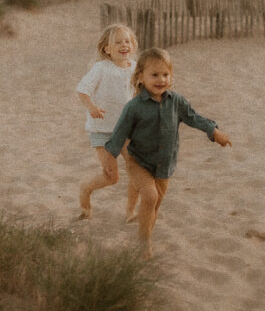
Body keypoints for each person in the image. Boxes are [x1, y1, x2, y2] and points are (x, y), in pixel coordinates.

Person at [104, 46, 231, 257]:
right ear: (141, 77)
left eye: (165, 74)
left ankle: (145, 234)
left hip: (164, 164)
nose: (161, 79)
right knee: (150, 196)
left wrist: (214, 131)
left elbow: (194, 117)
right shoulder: (134, 107)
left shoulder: (176, 102)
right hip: (139, 162)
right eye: (154, 74)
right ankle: (143, 242)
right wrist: (110, 159)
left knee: (154, 205)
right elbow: (119, 134)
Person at [76, 23, 138, 219]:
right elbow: (82, 90)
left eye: (127, 41)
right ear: (107, 49)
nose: (124, 45)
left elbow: (142, 91)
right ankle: (85, 189)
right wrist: (92, 107)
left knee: (136, 171)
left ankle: (130, 212)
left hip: (127, 130)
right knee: (111, 177)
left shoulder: (135, 67)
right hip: (102, 130)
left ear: (133, 45)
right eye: (118, 42)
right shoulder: (101, 68)